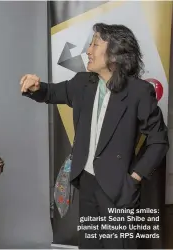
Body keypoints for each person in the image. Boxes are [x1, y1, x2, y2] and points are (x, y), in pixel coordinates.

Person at [20, 23, 169, 249]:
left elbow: (159, 141)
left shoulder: (138, 92)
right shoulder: (82, 83)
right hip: (87, 182)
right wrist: (35, 87)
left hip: (119, 187)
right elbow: (50, 92)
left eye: (95, 44)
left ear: (116, 54)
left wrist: (133, 179)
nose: (88, 50)